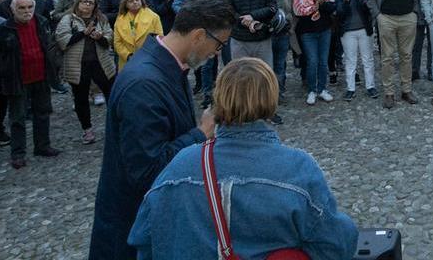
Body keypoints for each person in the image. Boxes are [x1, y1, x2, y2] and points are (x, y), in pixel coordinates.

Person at [128, 57, 358, 258]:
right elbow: (336, 244)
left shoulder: (180, 165)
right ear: (271, 99)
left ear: (218, 98)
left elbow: (145, 241)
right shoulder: (297, 168)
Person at [89, 0, 232, 260]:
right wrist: (200, 134)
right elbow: (147, 170)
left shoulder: (166, 64)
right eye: (219, 44)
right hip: (131, 230)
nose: (216, 54)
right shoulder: (144, 83)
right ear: (199, 35)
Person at [0, 0, 61, 169]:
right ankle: (18, 153)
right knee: (17, 118)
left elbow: (49, 46)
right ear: (13, 10)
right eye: (22, 8)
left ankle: (42, 146)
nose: (26, 11)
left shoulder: (41, 22)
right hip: (17, 79)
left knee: (43, 113)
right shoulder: (3, 30)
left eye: (29, 7)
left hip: (41, 76)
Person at [366, 0, 423, 108]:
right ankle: (389, 92)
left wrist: (415, 12)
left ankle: (406, 89)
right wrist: (378, 15)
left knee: (407, 55)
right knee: (387, 57)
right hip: (386, 18)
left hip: (408, 17)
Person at [56, 0, 117, 145]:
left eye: (91, 2)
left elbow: (109, 38)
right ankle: (87, 130)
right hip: (77, 64)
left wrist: (100, 37)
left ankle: (116, 126)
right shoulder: (68, 19)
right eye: (84, 2)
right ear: (78, 3)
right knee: (80, 98)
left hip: (100, 63)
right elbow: (63, 40)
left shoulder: (101, 19)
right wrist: (83, 33)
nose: (87, 5)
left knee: (112, 94)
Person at [292, 0, 335, 105]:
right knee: (312, 61)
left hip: (325, 29)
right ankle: (312, 90)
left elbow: (332, 7)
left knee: (323, 61)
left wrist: (322, 4)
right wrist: (314, 7)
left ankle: (322, 88)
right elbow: (298, 11)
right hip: (308, 31)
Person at [335, 0, 377, 100]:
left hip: (364, 30)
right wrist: (347, 1)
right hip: (348, 32)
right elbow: (340, 15)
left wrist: (360, 0)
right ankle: (350, 88)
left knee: (367, 59)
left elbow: (368, 12)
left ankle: (370, 86)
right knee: (350, 60)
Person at [113, 0, 163, 70]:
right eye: (131, 1)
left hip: (148, 58)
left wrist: (149, 54)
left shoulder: (154, 17)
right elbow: (117, 42)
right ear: (125, 4)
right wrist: (128, 55)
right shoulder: (119, 20)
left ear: (141, 0)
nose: (135, 2)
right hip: (127, 61)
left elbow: (159, 39)